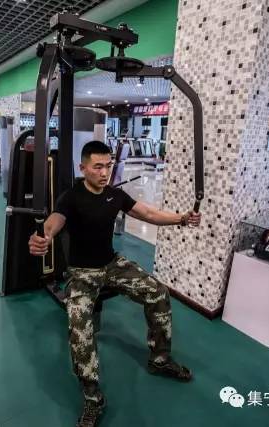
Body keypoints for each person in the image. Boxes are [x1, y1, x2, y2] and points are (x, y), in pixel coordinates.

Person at [28, 140, 201, 427]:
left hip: (112, 264)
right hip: (82, 273)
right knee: (80, 327)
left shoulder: (115, 195)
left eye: (108, 166)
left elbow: (148, 214)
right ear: (83, 168)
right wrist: (43, 238)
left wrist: (182, 219)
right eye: (97, 167)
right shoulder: (71, 198)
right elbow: (53, 223)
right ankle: (93, 398)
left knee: (157, 292)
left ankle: (160, 359)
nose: (104, 172)